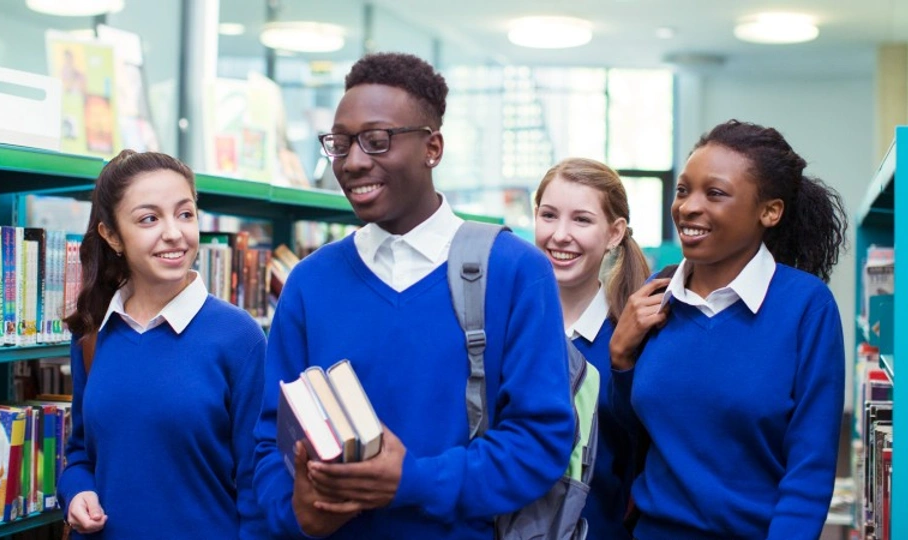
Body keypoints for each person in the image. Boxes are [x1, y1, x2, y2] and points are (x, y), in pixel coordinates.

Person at [252, 52, 575, 539]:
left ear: (433, 147)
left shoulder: (514, 271)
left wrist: (412, 481)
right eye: (340, 144)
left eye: (377, 141)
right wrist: (297, 513)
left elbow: (541, 439)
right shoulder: (309, 282)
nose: (355, 162)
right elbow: (270, 440)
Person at [609, 119, 847, 540]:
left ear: (769, 211)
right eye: (683, 190)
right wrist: (621, 360)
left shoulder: (806, 307)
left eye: (714, 193)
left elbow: (809, 472)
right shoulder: (654, 297)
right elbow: (634, 438)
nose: (687, 207)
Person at [57, 151, 267, 539]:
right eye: (149, 219)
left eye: (185, 214)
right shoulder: (92, 332)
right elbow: (81, 453)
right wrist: (76, 492)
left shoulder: (240, 338)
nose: (174, 233)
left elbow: (258, 484)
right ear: (112, 235)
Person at [533, 157, 649, 539]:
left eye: (581, 220)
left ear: (614, 233)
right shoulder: (508, 329)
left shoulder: (631, 342)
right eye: (549, 215)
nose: (560, 235)